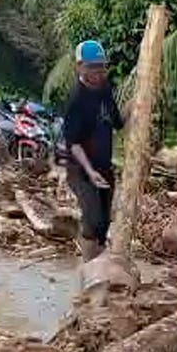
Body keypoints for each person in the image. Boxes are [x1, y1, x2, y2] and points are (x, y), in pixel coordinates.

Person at [63, 39, 123, 261]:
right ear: (79, 67)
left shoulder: (105, 89)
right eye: (91, 67)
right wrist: (90, 172)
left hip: (104, 166)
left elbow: (118, 122)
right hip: (80, 169)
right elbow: (74, 143)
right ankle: (88, 270)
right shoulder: (76, 100)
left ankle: (100, 266)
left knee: (104, 223)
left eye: (100, 66)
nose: (97, 72)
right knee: (93, 219)